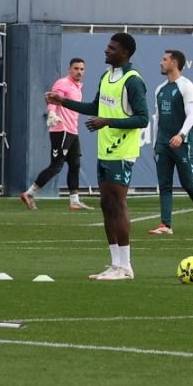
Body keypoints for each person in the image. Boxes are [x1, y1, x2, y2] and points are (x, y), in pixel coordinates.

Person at [46, 32, 148, 281]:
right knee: (106, 205)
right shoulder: (106, 77)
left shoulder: (133, 81)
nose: (106, 51)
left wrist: (108, 121)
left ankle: (126, 267)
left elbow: (143, 118)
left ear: (124, 53)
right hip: (105, 150)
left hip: (122, 151)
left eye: (111, 48)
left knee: (117, 204)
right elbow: (95, 107)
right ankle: (115, 264)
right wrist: (62, 102)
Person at [148, 49, 193, 236]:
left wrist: (181, 135)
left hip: (182, 144)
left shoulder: (187, 87)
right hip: (163, 144)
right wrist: (155, 145)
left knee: (188, 184)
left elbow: (192, 115)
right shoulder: (160, 89)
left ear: (174, 63)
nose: (161, 62)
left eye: (165, 59)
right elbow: (157, 119)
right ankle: (165, 224)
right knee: (164, 184)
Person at [20, 57, 90, 210]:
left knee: (75, 164)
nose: (79, 72)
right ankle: (30, 193)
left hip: (73, 130)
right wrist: (51, 113)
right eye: (76, 68)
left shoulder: (77, 87)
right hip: (61, 129)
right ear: (69, 69)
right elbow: (53, 98)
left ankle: (74, 200)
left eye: (81, 69)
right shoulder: (63, 83)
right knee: (56, 165)